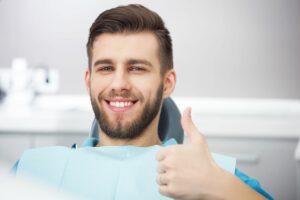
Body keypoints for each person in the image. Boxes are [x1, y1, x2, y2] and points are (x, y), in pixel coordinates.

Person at [12, 4, 273, 200]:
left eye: (136, 68)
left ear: (167, 83)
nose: (119, 84)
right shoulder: (32, 168)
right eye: (105, 68)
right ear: (88, 80)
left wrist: (217, 185)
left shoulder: (211, 176)